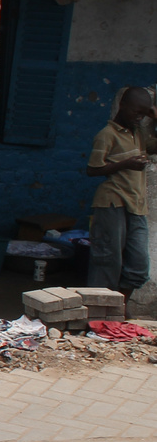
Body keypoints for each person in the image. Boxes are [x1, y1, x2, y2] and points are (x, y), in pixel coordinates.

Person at [85, 86, 157, 295]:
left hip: (137, 205)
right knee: (108, 262)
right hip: (112, 202)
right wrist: (125, 164)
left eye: (144, 114)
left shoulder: (139, 134)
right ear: (122, 105)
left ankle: (120, 305)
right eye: (136, 112)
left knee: (139, 267)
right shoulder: (107, 135)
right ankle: (103, 315)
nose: (139, 118)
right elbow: (92, 169)